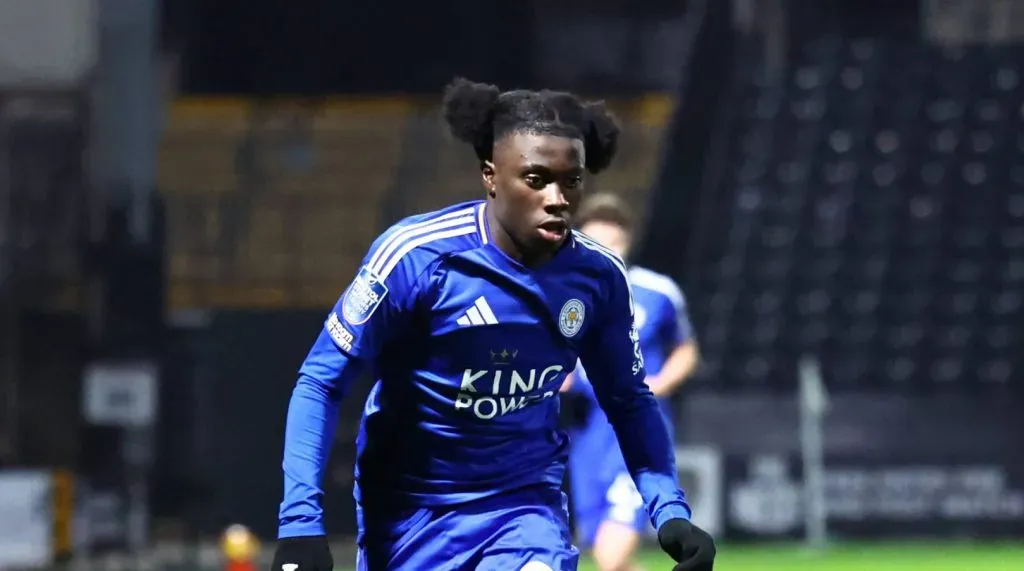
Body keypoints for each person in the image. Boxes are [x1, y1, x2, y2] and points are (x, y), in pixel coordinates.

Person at [271, 78, 716, 571]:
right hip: (408, 512)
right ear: (490, 176)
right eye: (536, 179)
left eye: (571, 181)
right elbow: (321, 382)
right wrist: (300, 525)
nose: (558, 198)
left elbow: (629, 400)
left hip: (523, 507)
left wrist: (669, 509)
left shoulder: (597, 276)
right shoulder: (416, 258)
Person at [561, 194, 700, 571]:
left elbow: (686, 351)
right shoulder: (565, 295)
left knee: (611, 554)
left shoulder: (658, 292)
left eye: (613, 240)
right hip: (587, 437)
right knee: (610, 559)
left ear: (627, 241)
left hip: (637, 435)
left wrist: (657, 384)